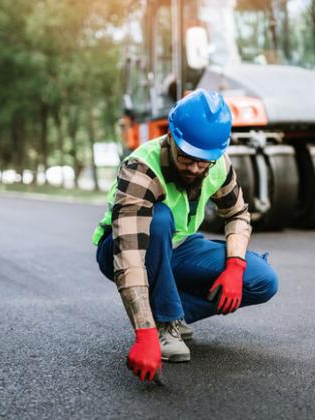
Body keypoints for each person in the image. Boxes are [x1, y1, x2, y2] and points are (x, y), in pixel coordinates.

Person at [93, 89, 278, 382]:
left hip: (180, 249)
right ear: (172, 137)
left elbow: (238, 215)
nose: (194, 168)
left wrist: (235, 266)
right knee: (159, 217)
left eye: (203, 161)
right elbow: (128, 255)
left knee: (261, 280)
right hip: (124, 249)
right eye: (187, 158)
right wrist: (144, 334)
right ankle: (163, 325)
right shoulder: (141, 168)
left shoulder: (218, 164)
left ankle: (170, 313)